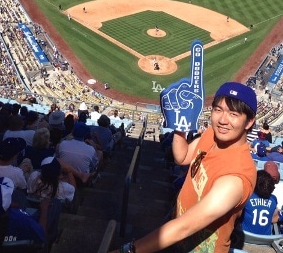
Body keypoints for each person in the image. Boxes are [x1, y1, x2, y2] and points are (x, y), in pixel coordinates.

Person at [109, 81, 257, 253]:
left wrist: (128, 250)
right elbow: (183, 156)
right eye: (218, 110)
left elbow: (184, 227)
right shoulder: (213, 133)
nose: (223, 120)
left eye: (233, 114)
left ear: (249, 122)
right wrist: (179, 125)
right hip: (175, 228)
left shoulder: (237, 177)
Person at [240, 169, 279, 235]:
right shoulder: (273, 199)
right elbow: (275, 218)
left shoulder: (247, 196)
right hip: (265, 240)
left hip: (246, 237)